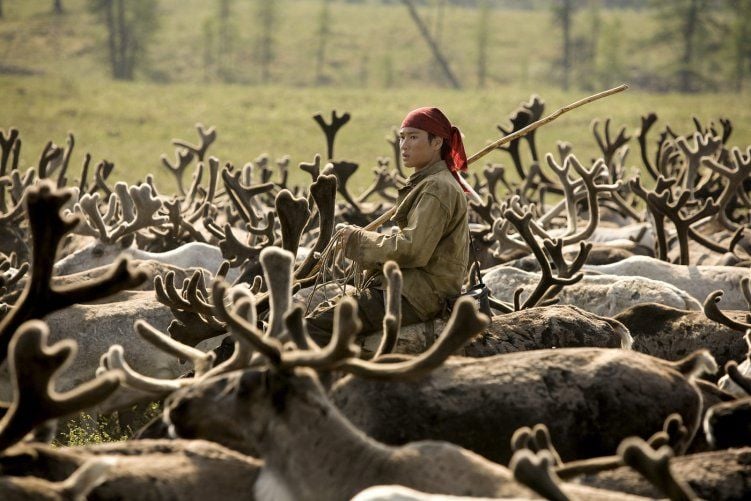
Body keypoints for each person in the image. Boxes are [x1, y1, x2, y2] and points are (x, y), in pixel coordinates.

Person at [305, 107, 470, 344]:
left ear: (437, 142)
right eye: (402, 137)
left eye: (413, 137)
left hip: (417, 295)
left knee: (312, 327)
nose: (404, 146)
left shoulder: (437, 188)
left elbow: (413, 249)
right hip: (408, 289)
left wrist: (358, 240)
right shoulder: (430, 183)